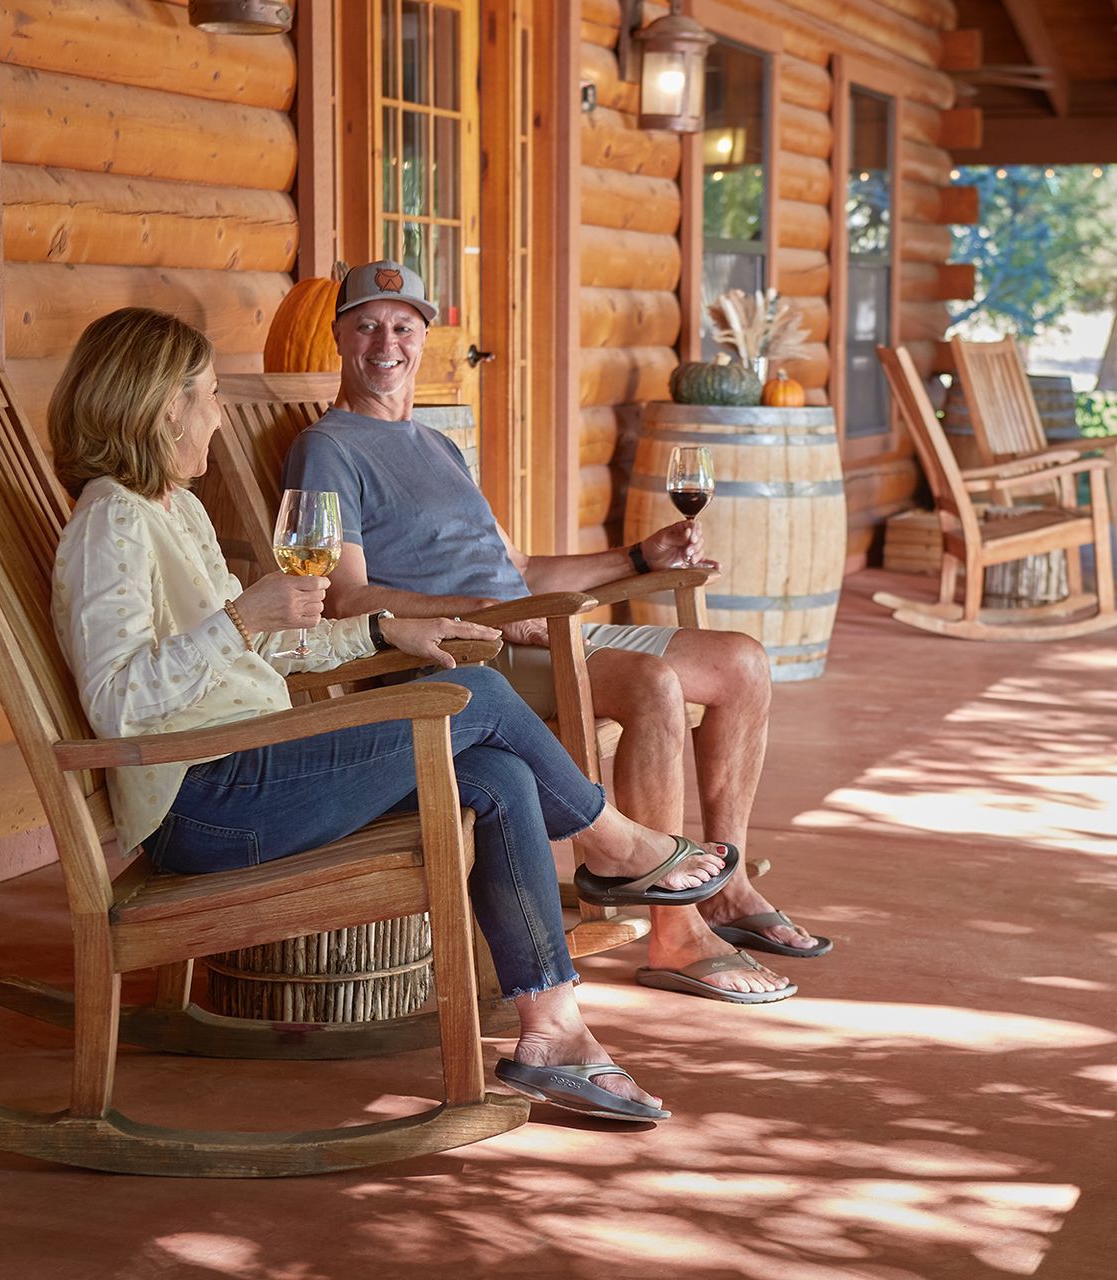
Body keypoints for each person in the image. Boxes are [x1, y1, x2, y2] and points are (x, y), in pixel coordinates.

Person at [47, 306, 743, 1123]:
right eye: (204, 395)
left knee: (495, 771)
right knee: (474, 696)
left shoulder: (172, 505)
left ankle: (553, 1031)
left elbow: (255, 654)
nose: (218, 412)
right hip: (204, 802)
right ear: (163, 406)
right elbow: (120, 700)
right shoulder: (110, 524)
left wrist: (379, 628)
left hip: (249, 762)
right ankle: (619, 845)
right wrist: (241, 619)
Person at [283, 261, 827, 1006]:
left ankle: (727, 888)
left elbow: (524, 564)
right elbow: (346, 593)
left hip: (533, 630)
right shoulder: (329, 448)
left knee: (743, 662)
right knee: (648, 682)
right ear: (340, 336)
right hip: (469, 649)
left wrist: (638, 556)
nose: (386, 342)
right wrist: (482, 611)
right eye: (368, 325)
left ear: (424, 339)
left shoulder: (438, 445)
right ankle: (675, 932)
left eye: (403, 326)